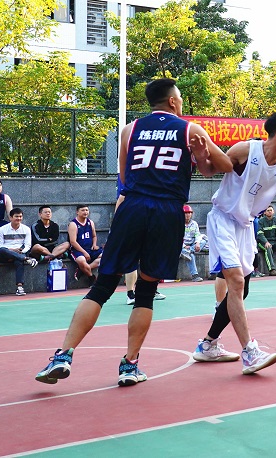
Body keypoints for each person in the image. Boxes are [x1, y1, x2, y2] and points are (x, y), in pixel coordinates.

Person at [36, 78, 232, 387]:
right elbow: (223, 166)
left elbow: (125, 177)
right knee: (146, 291)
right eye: (180, 98)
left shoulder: (130, 129)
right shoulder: (190, 130)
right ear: (172, 101)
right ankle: (129, 364)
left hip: (132, 207)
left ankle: (63, 355)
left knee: (102, 287)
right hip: (167, 211)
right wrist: (202, 152)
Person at [193, 111, 276, 374]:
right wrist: (201, 155)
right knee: (236, 282)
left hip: (246, 225)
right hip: (223, 219)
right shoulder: (245, 150)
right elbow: (209, 171)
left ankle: (208, 344)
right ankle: (250, 352)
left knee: (242, 291)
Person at [0, 208, 37, 296]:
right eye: (16, 216)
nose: (19, 218)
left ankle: (20, 287)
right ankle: (26, 259)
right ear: (10, 218)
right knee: (2, 250)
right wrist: (12, 250)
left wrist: (21, 251)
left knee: (19, 261)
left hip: (19, 253)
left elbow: (28, 245)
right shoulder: (2, 229)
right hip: (5, 254)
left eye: (20, 216)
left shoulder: (26, 229)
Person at [68, 205, 101, 280]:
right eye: (83, 210)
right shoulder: (73, 224)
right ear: (77, 212)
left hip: (90, 249)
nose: (85, 212)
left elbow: (94, 236)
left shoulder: (90, 222)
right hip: (77, 250)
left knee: (106, 257)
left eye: (86, 210)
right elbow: (73, 242)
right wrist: (84, 252)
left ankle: (82, 269)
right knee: (82, 261)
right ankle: (91, 278)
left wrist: (94, 245)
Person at [255, 206, 276, 276]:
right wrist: (266, 242)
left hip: (274, 241)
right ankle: (272, 270)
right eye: (268, 210)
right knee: (268, 248)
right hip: (263, 242)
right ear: (264, 212)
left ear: (273, 212)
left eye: (271, 210)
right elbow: (260, 234)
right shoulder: (261, 221)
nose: (269, 212)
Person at [180, 205, 204, 282]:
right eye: (186, 213)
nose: (188, 215)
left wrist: (197, 243)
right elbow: (176, 237)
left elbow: (197, 234)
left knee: (204, 240)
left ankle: (188, 251)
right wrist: (184, 246)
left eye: (189, 213)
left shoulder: (194, 224)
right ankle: (195, 275)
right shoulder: (178, 223)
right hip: (181, 246)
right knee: (191, 255)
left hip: (191, 245)